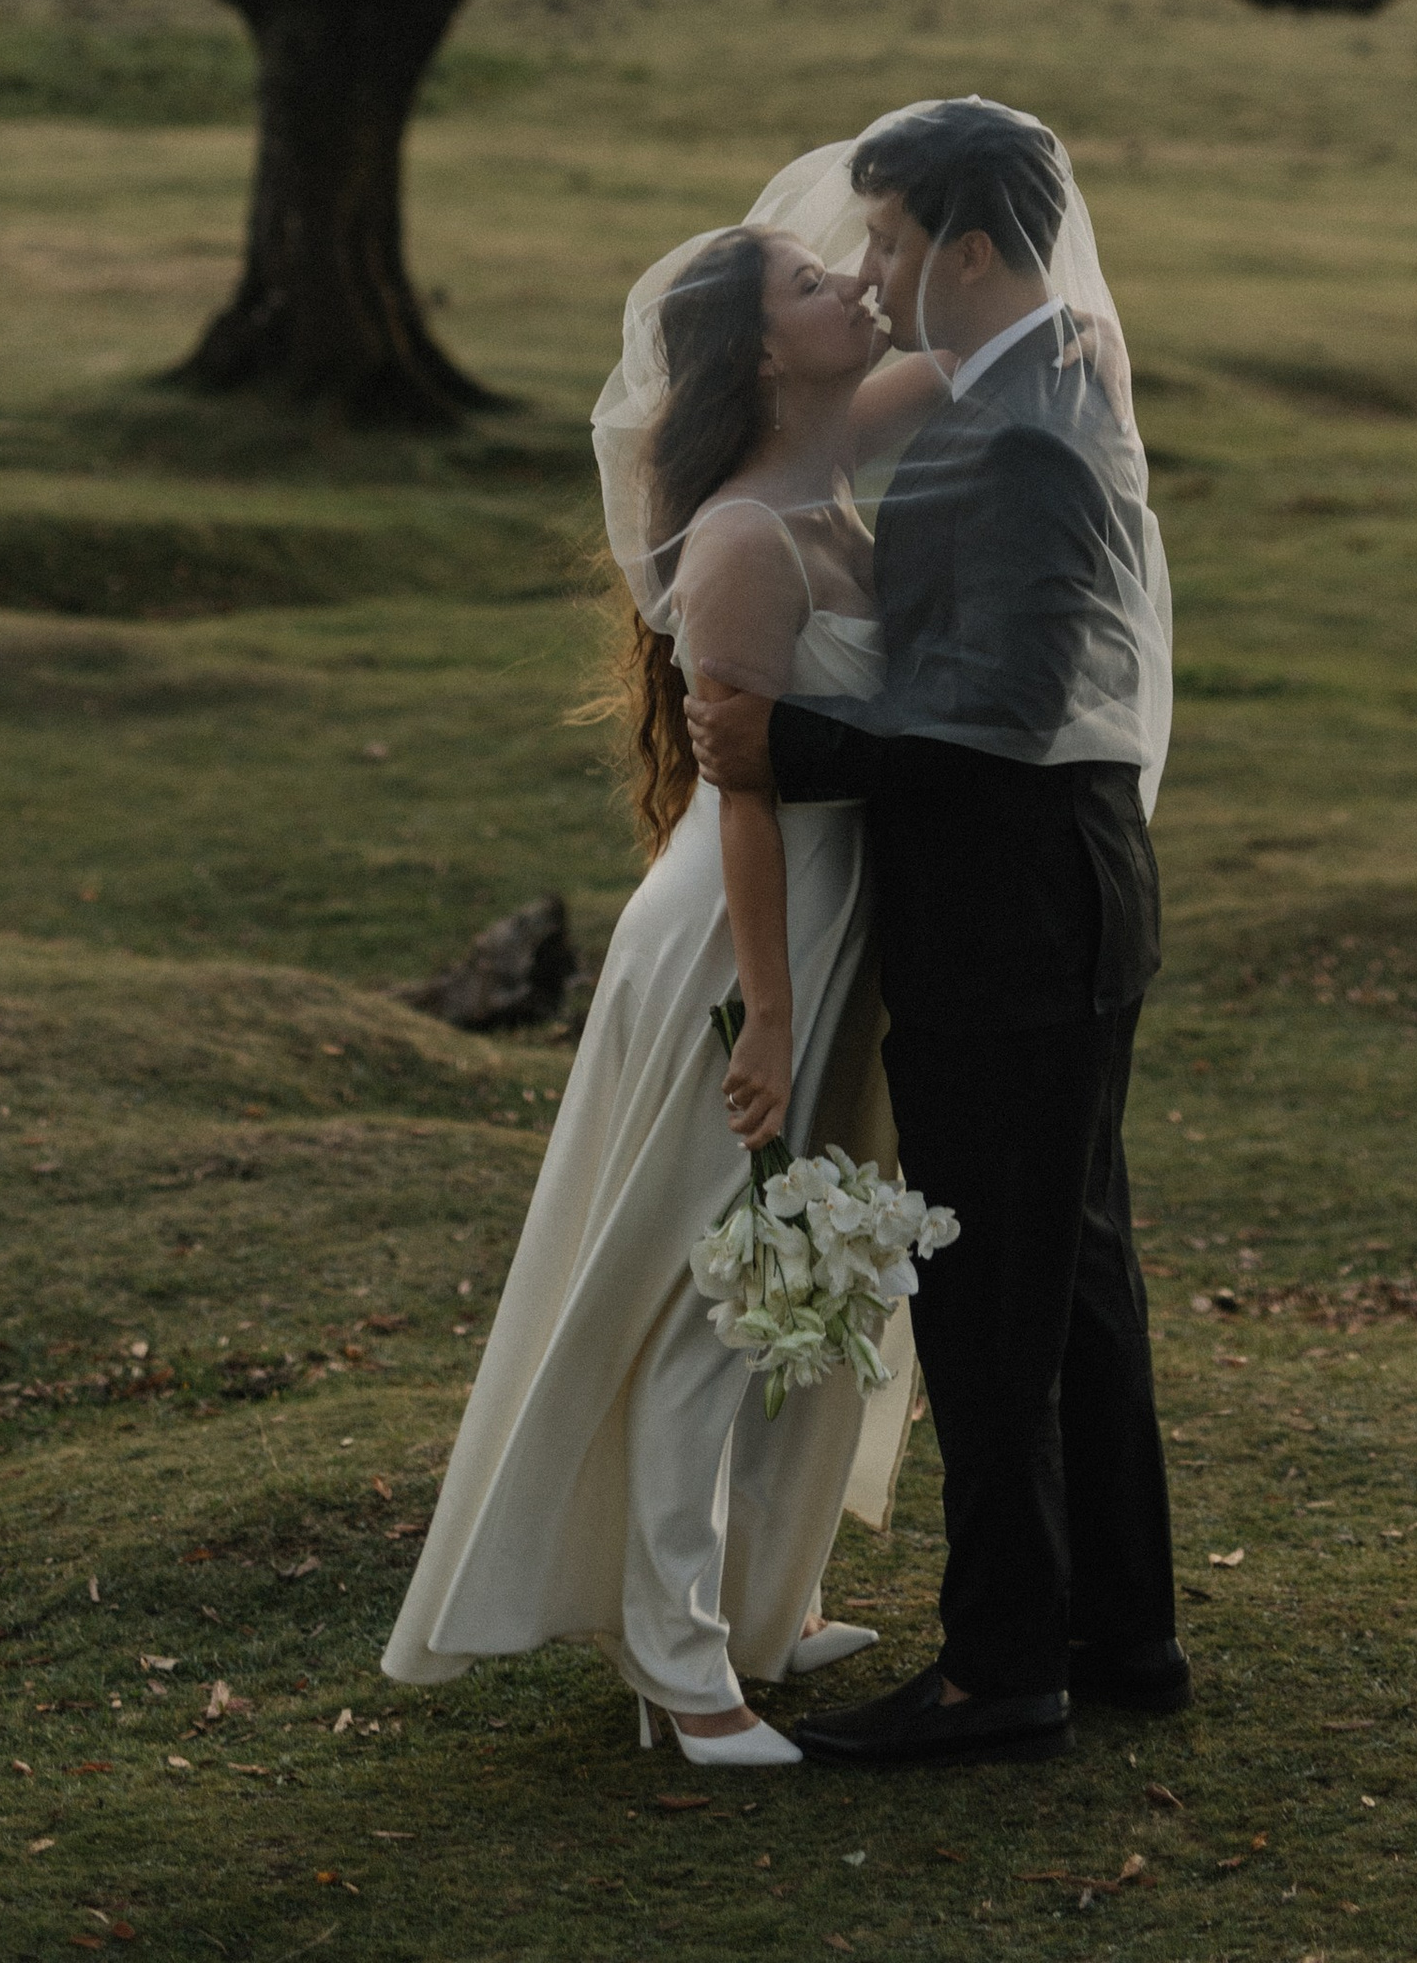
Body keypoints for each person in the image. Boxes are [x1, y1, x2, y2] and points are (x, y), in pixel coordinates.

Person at [382, 223, 939, 1768]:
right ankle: (684, 1669)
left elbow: (963, 365)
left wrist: (970, 275)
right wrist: (765, 1015)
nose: (854, 296)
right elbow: (748, 799)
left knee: (796, 1269)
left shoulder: (825, 462)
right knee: (719, 1285)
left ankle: (762, 1598)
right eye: (816, 289)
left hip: (824, 929)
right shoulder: (747, 538)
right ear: (763, 351)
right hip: (738, 939)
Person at [688, 97, 1183, 1767]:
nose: (872, 271)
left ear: (973, 249)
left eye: (893, 243)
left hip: (1018, 906)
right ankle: (1126, 1632)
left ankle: (1002, 1671)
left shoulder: (1023, 430)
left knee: (993, 1308)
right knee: (1079, 1279)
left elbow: (1015, 714)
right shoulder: (1031, 375)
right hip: (1057, 894)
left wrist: (791, 748)